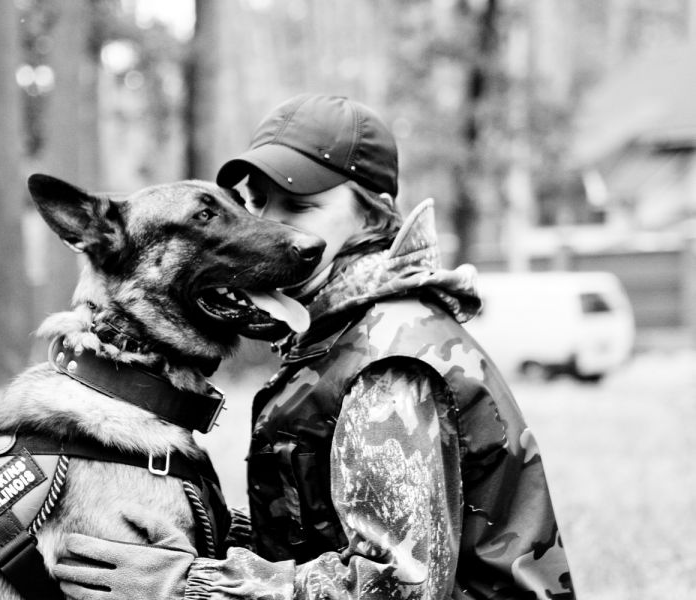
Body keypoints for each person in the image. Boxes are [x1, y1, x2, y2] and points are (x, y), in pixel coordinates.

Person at [53, 94, 576, 599]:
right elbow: (322, 535)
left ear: (372, 216)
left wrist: (192, 585)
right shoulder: (337, 336)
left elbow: (397, 590)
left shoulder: (389, 362)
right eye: (258, 203)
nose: (271, 224)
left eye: (301, 206)